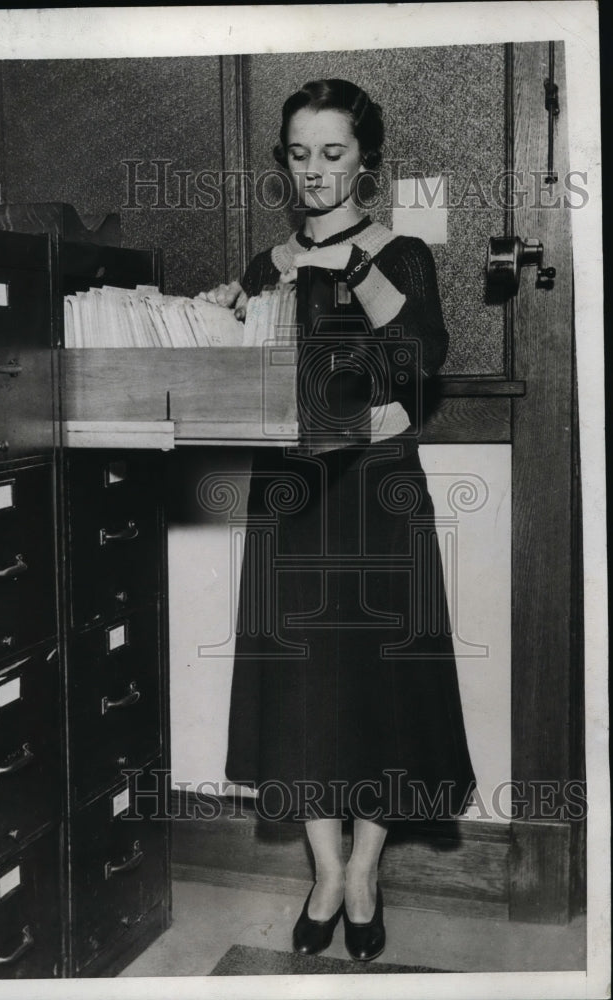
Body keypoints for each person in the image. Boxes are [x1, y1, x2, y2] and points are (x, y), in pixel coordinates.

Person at [201, 78, 476, 962]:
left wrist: (348, 267)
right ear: (283, 160)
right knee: (306, 693)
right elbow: (238, 368)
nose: (315, 170)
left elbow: (421, 357)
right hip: (292, 499)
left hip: (378, 496)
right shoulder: (267, 258)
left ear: (364, 159)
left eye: (333, 152)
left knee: (378, 690)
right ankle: (324, 870)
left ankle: (365, 871)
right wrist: (220, 313)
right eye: (299, 153)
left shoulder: (401, 253)